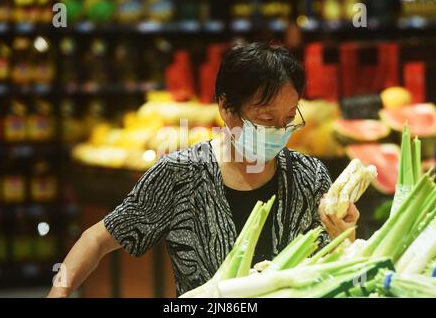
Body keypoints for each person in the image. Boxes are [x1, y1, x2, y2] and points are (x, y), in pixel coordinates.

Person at [48, 42, 359, 298]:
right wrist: (60, 291)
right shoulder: (180, 175)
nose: (279, 130)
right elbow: (97, 239)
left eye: (288, 118)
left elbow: (333, 273)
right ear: (225, 108)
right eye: (265, 119)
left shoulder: (309, 175)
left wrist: (345, 235)